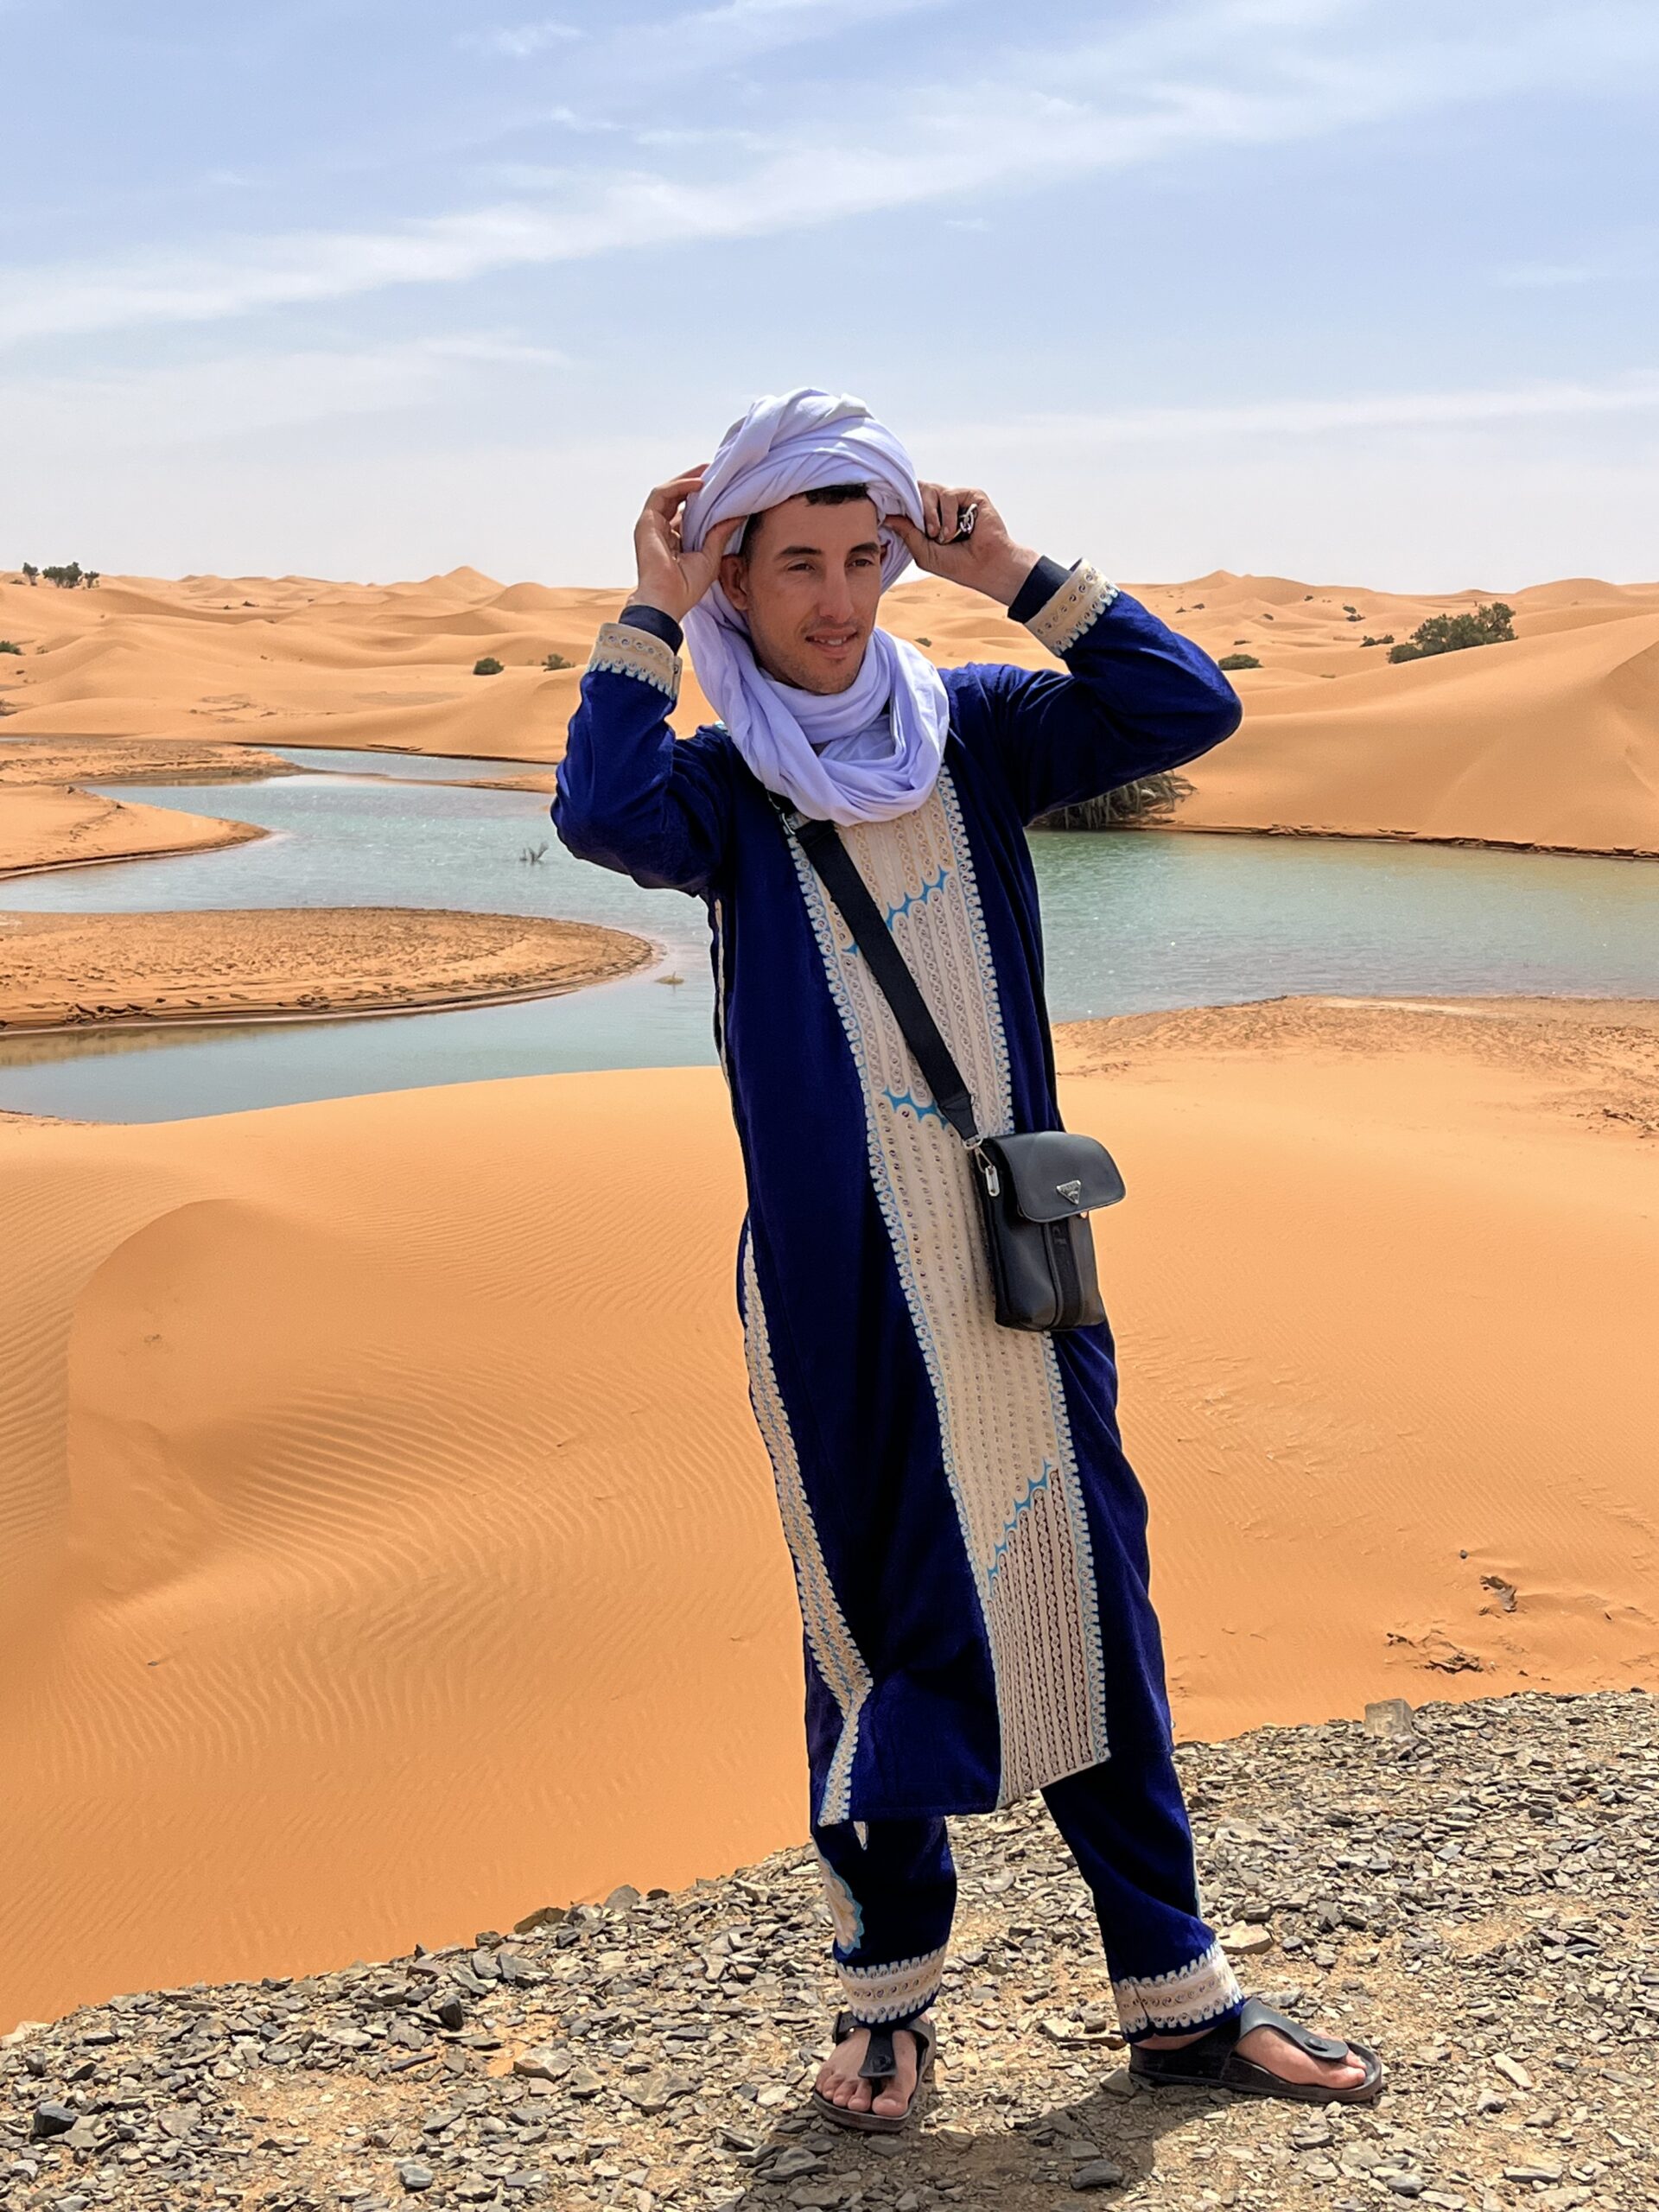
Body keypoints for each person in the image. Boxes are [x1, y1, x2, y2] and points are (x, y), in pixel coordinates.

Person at [553, 389, 1382, 2128]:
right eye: (797, 565)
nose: (840, 599)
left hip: (1014, 1263)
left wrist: (1008, 569)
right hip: (839, 1282)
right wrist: (646, 605)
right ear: (736, 577)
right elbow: (600, 812)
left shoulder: (979, 732)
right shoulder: (721, 788)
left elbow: (1187, 705)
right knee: (870, 1618)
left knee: (1087, 1590)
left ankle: (1177, 1992)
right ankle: (886, 2000)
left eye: (866, 558)